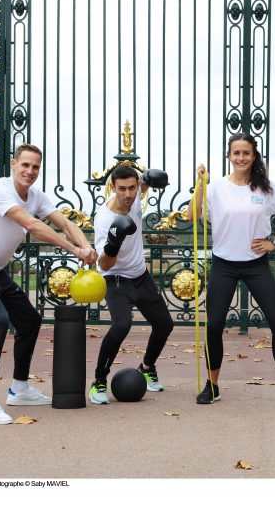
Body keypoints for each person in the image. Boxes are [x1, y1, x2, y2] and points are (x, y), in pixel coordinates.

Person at [0, 144, 97, 425]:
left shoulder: (36, 196)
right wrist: (73, 250)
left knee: (29, 320)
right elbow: (32, 226)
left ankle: (19, 388)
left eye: (36, 167)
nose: (30, 171)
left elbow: (64, 222)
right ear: (13, 163)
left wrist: (86, 246)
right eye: (25, 165)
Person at [194, 133, 275, 405]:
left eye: (246, 153)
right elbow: (193, 215)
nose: (241, 158)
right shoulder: (216, 188)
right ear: (228, 156)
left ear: (254, 156)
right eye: (236, 153)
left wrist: (274, 242)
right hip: (224, 264)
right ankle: (212, 385)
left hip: (256, 265)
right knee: (215, 325)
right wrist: (200, 184)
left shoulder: (265, 189)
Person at [88, 165, 174, 404]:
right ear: (112, 188)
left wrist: (146, 179)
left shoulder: (135, 198)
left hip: (140, 276)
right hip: (115, 280)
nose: (128, 194)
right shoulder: (105, 219)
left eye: (132, 188)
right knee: (121, 325)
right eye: (122, 189)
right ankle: (98, 381)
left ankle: (147, 367)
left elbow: (144, 184)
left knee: (165, 324)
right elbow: (104, 265)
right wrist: (114, 243)